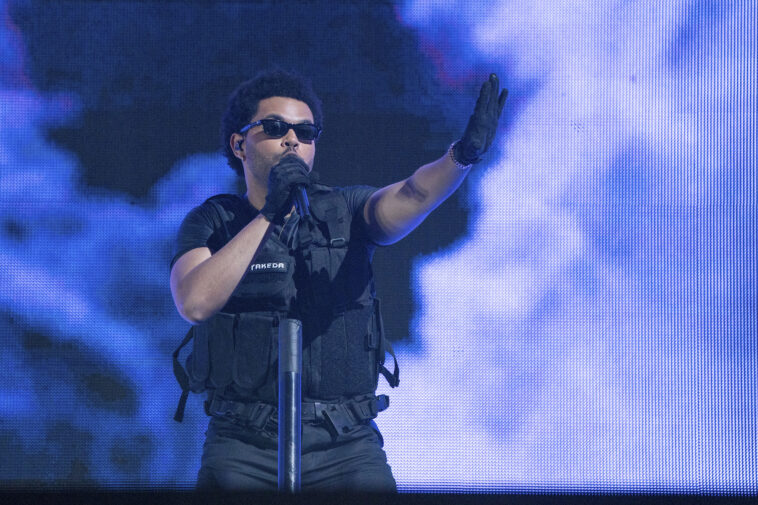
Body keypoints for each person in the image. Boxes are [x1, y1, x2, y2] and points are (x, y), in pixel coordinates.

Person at [169, 69, 507, 491]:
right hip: (243, 447)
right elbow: (195, 301)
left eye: (305, 132)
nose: (293, 140)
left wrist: (462, 157)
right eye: (275, 128)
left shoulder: (348, 210)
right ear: (239, 143)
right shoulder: (214, 221)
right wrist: (271, 213)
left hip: (345, 446)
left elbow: (414, 195)